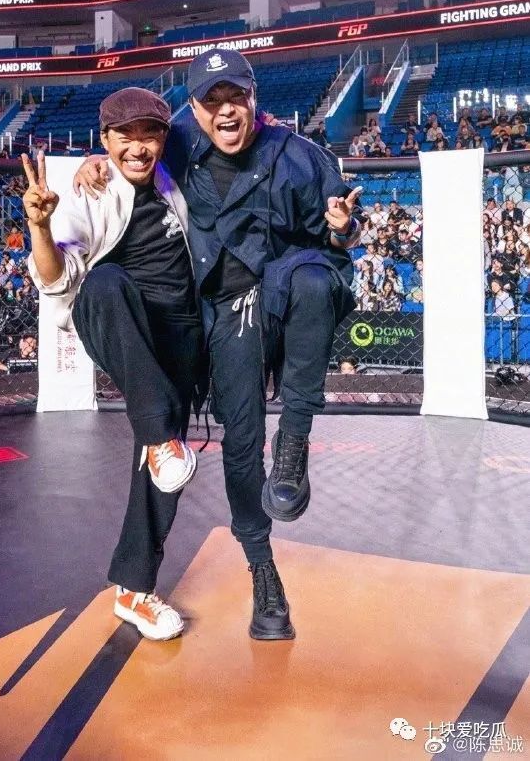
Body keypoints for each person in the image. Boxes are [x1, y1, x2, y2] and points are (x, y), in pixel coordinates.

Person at [74, 49, 361, 641]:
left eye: (236, 97)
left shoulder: (298, 156)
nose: (226, 110)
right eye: (212, 100)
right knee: (180, 441)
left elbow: (339, 233)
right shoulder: (176, 144)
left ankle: (284, 485)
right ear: (195, 109)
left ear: (255, 100)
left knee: (244, 435)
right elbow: (132, 146)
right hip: (195, 315)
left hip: (259, 305)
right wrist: (92, 162)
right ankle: (174, 580)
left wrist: (344, 230)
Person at [26, 88, 203, 643]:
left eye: (150, 134)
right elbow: (57, 278)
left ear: (164, 139)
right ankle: (159, 435)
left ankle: (132, 591)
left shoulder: (177, 175)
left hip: (183, 334)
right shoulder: (91, 190)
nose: (138, 146)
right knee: (102, 281)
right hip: (123, 323)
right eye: (124, 136)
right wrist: (39, 227)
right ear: (105, 139)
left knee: (161, 469)